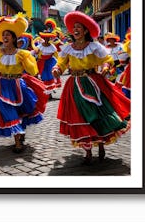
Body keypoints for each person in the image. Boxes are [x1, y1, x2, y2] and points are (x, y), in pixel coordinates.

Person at [52, 11, 131, 164]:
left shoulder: (94, 46)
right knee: (80, 116)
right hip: (74, 84)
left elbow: (106, 59)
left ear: (86, 30)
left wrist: (107, 67)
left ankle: (101, 145)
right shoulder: (68, 48)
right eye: (73, 27)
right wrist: (57, 69)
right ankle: (87, 151)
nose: (75, 30)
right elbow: (62, 63)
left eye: (79, 27)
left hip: (93, 82)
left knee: (99, 114)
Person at [0, 13, 49, 153]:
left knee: (20, 111)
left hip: (18, 85)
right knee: (8, 111)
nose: (5, 37)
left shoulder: (22, 54)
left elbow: (32, 69)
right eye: (3, 35)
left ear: (14, 38)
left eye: (8, 35)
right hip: (2, 85)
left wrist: (25, 60)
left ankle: (20, 133)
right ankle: (17, 141)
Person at [34, 31, 59, 96]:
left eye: (48, 38)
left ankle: (50, 92)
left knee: (50, 76)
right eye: (45, 38)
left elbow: (55, 54)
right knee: (43, 76)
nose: (47, 39)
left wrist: (56, 62)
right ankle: (46, 92)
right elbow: (36, 52)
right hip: (42, 62)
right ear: (43, 38)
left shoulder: (52, 46)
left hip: (50, 62)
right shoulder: (40, 46)